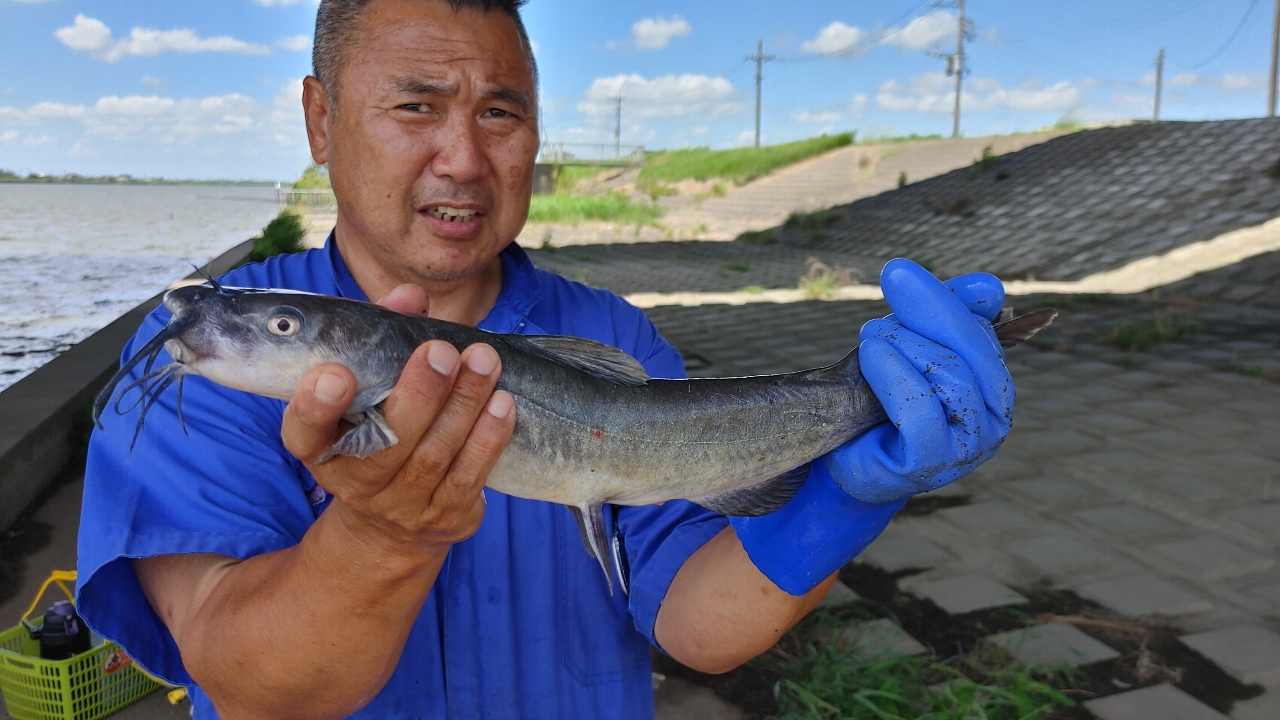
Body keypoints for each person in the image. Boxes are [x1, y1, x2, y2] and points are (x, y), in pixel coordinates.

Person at [75, 1, 1016, 718]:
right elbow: (245, 679)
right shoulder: (206, 372)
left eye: (500, 112)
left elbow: (701, 626)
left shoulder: (615, 337)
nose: (463, 158)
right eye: (415, 106)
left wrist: (846, 497)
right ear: (321, 121)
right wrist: (380, 535)